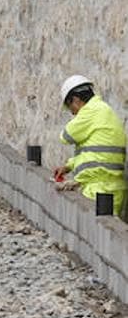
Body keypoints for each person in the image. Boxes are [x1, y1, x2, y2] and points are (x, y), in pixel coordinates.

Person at [53, 76, 126, 216]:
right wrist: (69, 165)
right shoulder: (103, 110)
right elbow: (94, 149)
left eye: (70, 107)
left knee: (98, 234)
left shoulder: (91, 111)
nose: (73, 113)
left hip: (100, 188)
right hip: (109, 186)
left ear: (75, 99)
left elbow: (66, 136)